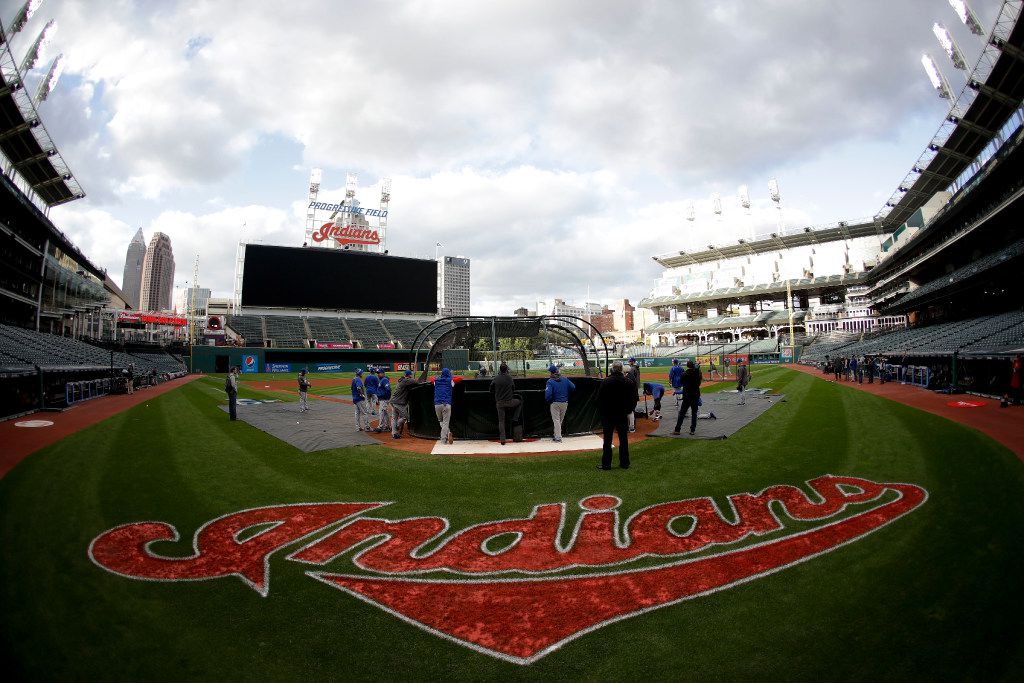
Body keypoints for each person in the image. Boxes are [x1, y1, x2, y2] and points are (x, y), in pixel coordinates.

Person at [596, 361, 637, 470]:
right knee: (623, 439)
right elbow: (634, 399)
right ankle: (624, 463)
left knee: (607, 440)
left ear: (613, 369)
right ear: (622, 369)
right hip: (622, 414)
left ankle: (606, 464)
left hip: (608, 414)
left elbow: (599, 399)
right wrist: (628, 410)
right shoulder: (628, 382)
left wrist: (603, 411)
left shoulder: (606, 382)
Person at [491, 362, 522, 445]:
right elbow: (513, 389)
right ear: (506, 370)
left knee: (501, 421)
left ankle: (502, 440)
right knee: (520, 401)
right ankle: (515, 418)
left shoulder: (496, 378)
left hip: (500, 403)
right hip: (509, 402)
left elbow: (491, 389)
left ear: (500, 370)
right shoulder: (509, 378)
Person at [545, 364, 576, 442]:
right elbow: (573, 387)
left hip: (555, 403)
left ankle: (558, 437)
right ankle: (556, 435)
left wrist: (549, 401)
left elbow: (548, 395)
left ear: (551, 373)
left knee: (556, 420)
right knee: (559, 421)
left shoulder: (550, 381)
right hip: (564, 402)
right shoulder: (565, 379)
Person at [671, 362, 701, 435]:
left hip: (687, 396)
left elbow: (682, 383)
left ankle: (677, 430)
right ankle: (692, 430)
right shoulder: (697, 373)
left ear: (687, 366)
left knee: (682, 413)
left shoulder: (684, 374)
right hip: (695, 395)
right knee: (694, 413)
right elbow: (699, 383)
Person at [390, 370, 418, 438]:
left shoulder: (401, 380)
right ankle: (397, 425)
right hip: (399, 402)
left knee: (394, 418)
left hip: (393, 401)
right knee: (405, 417)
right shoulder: (406, 381)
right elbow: (415, 382)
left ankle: (394, 434)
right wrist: (412, 378)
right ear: (409, 375)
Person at [433, 367, 456, 444]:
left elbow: (431, 378)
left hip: (437, 404)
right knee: (445, 423)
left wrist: (439, 378)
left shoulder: (436, 380)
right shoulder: (450, 380)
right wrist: (451, 377)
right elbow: (460, 378)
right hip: (446, 404)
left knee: (441, 421)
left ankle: (448, 432)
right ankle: (443, 440)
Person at [625, 357, 640, 433]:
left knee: (631, 410)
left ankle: (631, 426)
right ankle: (632, 425)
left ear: (633, 362)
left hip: (632, 390)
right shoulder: (636, 368)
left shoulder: (633, 369)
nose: (629, 362)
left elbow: (633, 380)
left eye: (630, 361)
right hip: (635, 389)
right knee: (632, 409)